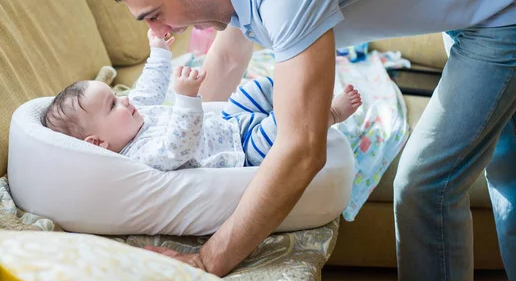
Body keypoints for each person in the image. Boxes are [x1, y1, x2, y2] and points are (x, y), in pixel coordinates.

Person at [106, 0, 516, 279]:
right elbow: (229, 58)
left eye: (155, 14)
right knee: (507, 165)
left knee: (427, 187)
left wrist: (207, 260)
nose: (164, 31)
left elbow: (302, 148)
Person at [42, 30, 362, 171]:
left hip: (227, 119)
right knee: (286, 120)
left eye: (116, 97)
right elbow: (180, 145)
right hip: (244, 149)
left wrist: (159, 52)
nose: (124, 101)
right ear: (98, 142)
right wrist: (185, 99)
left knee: (262, 86)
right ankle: (329, 113)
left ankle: (302, 82)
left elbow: (148, 89)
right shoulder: (140, 156)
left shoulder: (134, 114)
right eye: (112, 106)